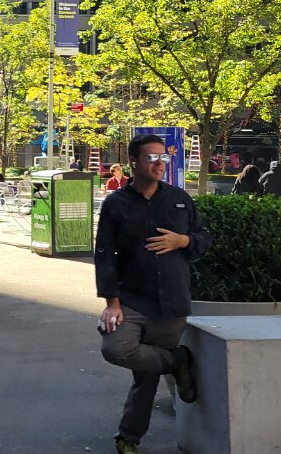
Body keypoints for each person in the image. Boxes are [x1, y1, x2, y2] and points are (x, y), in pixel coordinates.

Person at [95, 134, 211, 454]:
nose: (159, 163)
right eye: (151, 157)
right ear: (133, 161)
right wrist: (112, 302)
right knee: (116, 348)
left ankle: (128, 437)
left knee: (146, 375)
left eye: (163, 158)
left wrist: (183, 241)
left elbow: (203, 238)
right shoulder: (115, 204)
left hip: (172, 301)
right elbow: (104, 255)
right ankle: (177, 360)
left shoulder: (179, 199)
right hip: (131, 300)